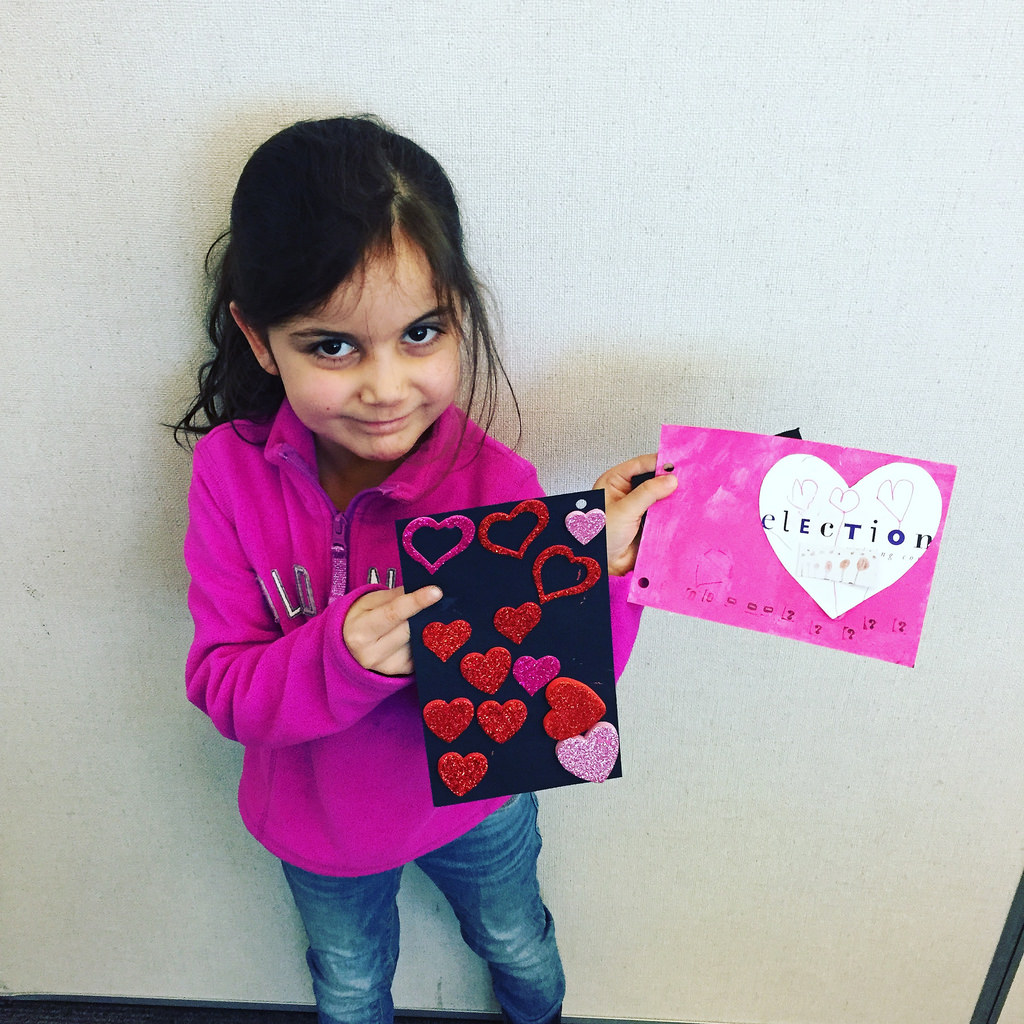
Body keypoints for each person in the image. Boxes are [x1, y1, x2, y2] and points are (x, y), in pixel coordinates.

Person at [177, 115, 676, 1024]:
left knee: (519, 940)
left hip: (478, 812)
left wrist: (602, 570)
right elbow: (222, 688)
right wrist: (343, 659)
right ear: (259, 338)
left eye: (421, 332)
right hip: (316, 826)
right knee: (351, 983)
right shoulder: (230, 476)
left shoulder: (495, 484)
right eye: (333, 345)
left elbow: (560, 699)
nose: (386, 387)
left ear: (458, 312)